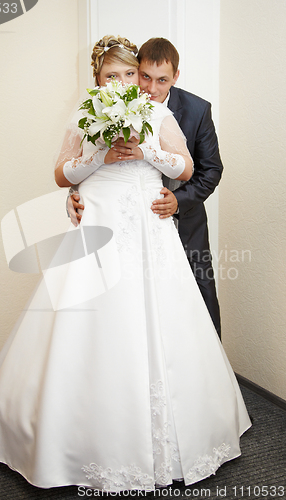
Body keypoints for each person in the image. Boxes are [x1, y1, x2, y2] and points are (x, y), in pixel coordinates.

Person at [0, 35, 251, 492]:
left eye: (128, 74)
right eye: (112, 75)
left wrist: (145, 151)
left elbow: (184, 167)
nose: (123, 83)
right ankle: (62, 441)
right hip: (96, 221)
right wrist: (97, 154)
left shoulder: (157, 110)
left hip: (147, 223)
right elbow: (63, 173)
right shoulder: (87, 115)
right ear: (97, 80)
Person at [69, 37, 223, 338]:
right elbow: (92, 166)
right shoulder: (109, 108)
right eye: (145, 77)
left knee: (200, 295)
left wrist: (178, 200)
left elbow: (211, 170)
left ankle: (213, 376)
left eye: (162, 80)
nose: (151, 89)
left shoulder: (197, 109)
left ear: (175, 77)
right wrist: (73, 196)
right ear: (137, 71)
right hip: (129, 224)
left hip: (185, 221)